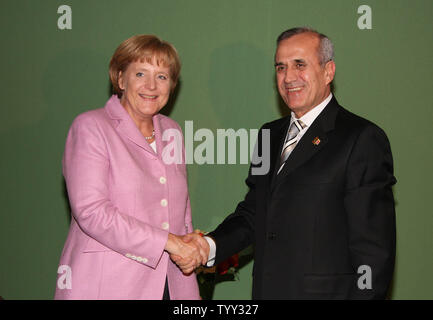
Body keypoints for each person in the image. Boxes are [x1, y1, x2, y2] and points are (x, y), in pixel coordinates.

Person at [173, 27, 396, 299]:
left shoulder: (361, 138)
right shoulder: (270, 135)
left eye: (299, 65)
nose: (289, 77)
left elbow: (374, 253)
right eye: (281, 67)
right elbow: (254, 212)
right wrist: (208, 246)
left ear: (328, 71)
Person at [55, 35, 204, 300]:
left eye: (162, 76)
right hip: (108, 285)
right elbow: (92, 212)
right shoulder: (91, 127)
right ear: (121, 79)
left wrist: (192, 250)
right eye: (140, 74)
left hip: (172, 284)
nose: (151, 85)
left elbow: (181, 210)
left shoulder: (172, 132)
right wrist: (169, 242)